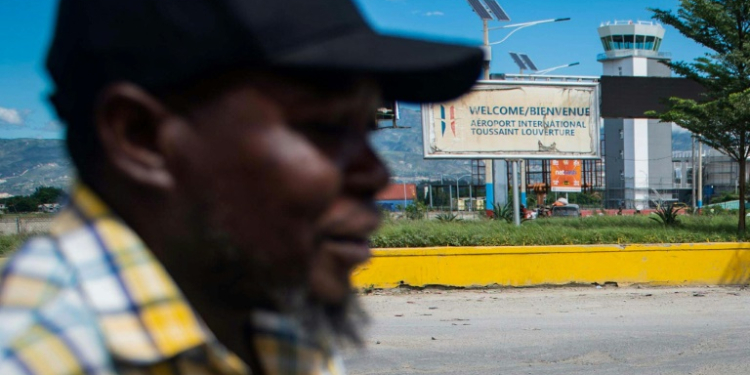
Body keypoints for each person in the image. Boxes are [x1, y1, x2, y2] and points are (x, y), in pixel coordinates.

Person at [0, 0, 482, 374]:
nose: (376, 174)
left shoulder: (269, 320)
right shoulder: (37, 355)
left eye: (367, 130)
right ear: (141, 138)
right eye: (327, 128)